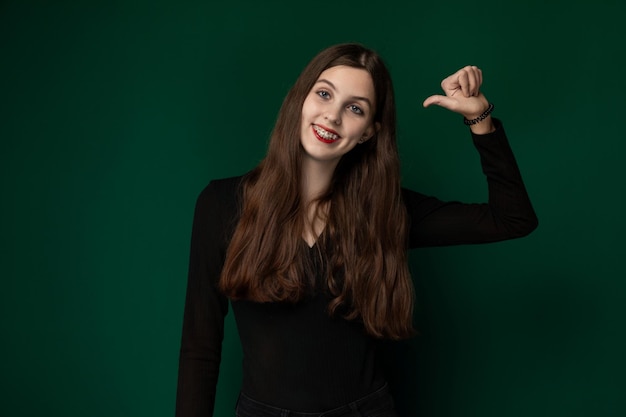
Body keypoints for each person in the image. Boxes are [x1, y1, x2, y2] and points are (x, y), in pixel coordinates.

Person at [175, 43, 538, 417]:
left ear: (368, 132)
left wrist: (480, 118)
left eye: (354, 108)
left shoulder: (385, 210)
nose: (332, 116)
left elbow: (512, 219)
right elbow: (200, 345)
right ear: (300, 100)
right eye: (324, 94)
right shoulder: (221, 205)